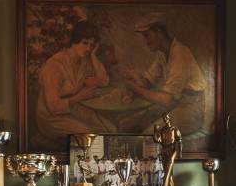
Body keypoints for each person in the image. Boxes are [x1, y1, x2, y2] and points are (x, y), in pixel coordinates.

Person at [36, 21, 115, 152]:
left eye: (92, 45)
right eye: (85, 43)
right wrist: (79, 97)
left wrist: (94, 56)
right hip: (51, 117)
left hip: (75, 108)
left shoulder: (84, 59)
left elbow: (103, 81)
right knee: (89, 135)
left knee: (110, 129)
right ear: (73, 41)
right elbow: (53, 106)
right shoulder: (55, 66)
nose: (88, 48)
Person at [124, 13, 206, 136]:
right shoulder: (162, 53)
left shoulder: (180, 53)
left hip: (190, 110)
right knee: (128, 124)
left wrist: (135, 88)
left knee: (148, 136)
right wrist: (136, 83)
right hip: (175, 105)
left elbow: (167, 100)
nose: (145, 42)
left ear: (159, 33)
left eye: (147, 36)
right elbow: (149, 81)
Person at [154, 112, 182, 186]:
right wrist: (155, 130)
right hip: (164, 151)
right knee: (169, 174)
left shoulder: (175, 129)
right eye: (163, 118)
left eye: (166, 117)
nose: (165, 119)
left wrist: (180, 152)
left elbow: (180, 141)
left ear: (169, 118)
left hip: (172, 150)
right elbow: (157, 140)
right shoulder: (162, 130)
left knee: (166, 173)